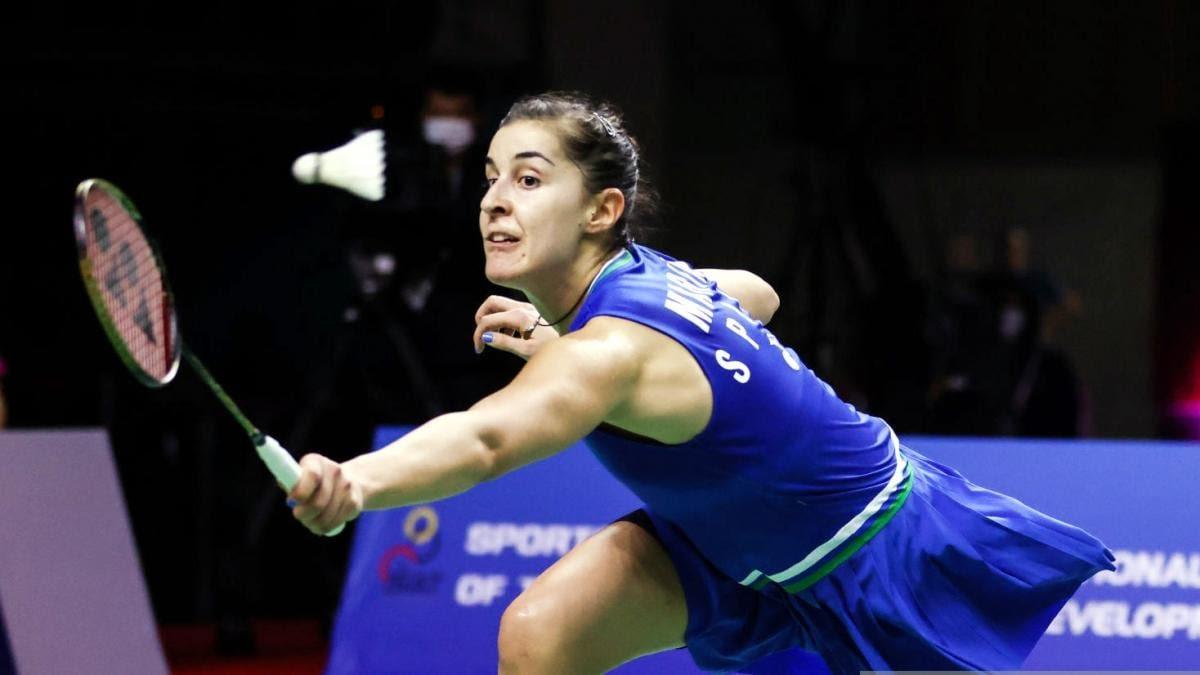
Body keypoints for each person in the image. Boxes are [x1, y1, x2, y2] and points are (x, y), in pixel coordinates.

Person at [288, 92, 1115, 672]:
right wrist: (562, 334)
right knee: (541, 635)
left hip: (873, 557)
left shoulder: (610, 349)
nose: (495, 202)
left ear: (603, 210)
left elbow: (486, 438)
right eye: (491, 176)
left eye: (529, 179)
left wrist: (354, 485)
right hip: (727, 550)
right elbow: (760, 291)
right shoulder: (643, 281)